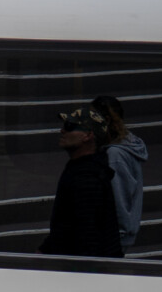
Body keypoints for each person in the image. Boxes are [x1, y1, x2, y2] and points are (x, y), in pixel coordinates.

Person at [39, 103, 123, 258]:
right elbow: (67, 225)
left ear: (88, 135)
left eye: (70, 126)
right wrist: (44, 250)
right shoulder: (83, 168)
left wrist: (80, 276)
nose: (62, 130)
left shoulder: (87, 179)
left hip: (82, 272)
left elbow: (88, 236)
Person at [92, 93, 148, 254]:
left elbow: (120, 199)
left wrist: (119, 236)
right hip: (115, 236)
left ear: (106, 120)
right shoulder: (123, 147)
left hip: (113, 238)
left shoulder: (115, 156)